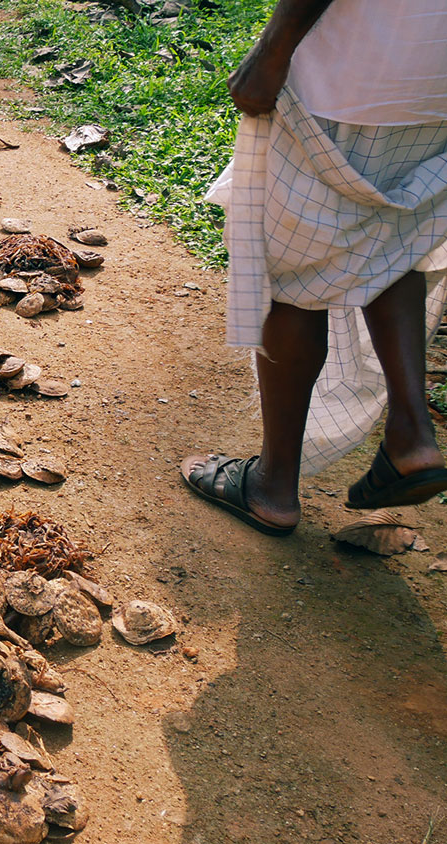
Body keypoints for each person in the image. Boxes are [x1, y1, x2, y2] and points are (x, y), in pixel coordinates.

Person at [181, 0, 447, 535]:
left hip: (352, 73)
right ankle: (413, 432)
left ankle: (273, 485)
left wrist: (274, 46)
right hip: (436, 78)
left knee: (288, 269)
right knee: (390, 235)